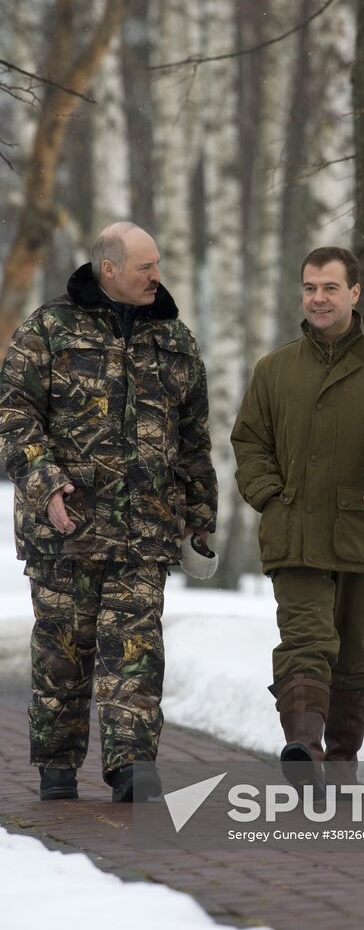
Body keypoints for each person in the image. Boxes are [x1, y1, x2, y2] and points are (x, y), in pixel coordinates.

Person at [0, 222, 217, 802]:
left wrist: (200, 511)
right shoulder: (48, 330)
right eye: (146, 266)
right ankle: (57, 766)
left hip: (145, 528)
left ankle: (131, 765)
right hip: (64, 529)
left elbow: (193, 435)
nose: (157, 276)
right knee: (63, 654)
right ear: (110, 269)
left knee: (136, 649)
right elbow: (13, 416)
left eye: (159, 263)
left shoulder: (174, 338)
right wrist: (46, 483)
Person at [231, 246, 364, 789]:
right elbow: (249, 442)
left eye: (329, 288)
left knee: (354, 651)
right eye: (309, 288)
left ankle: (342, 760)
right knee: (304, 638)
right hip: (293, 531)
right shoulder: (274, 370)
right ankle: (302, 743)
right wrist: (269, 494)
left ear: (354, 293)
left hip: (362, 531)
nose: (318, 298)